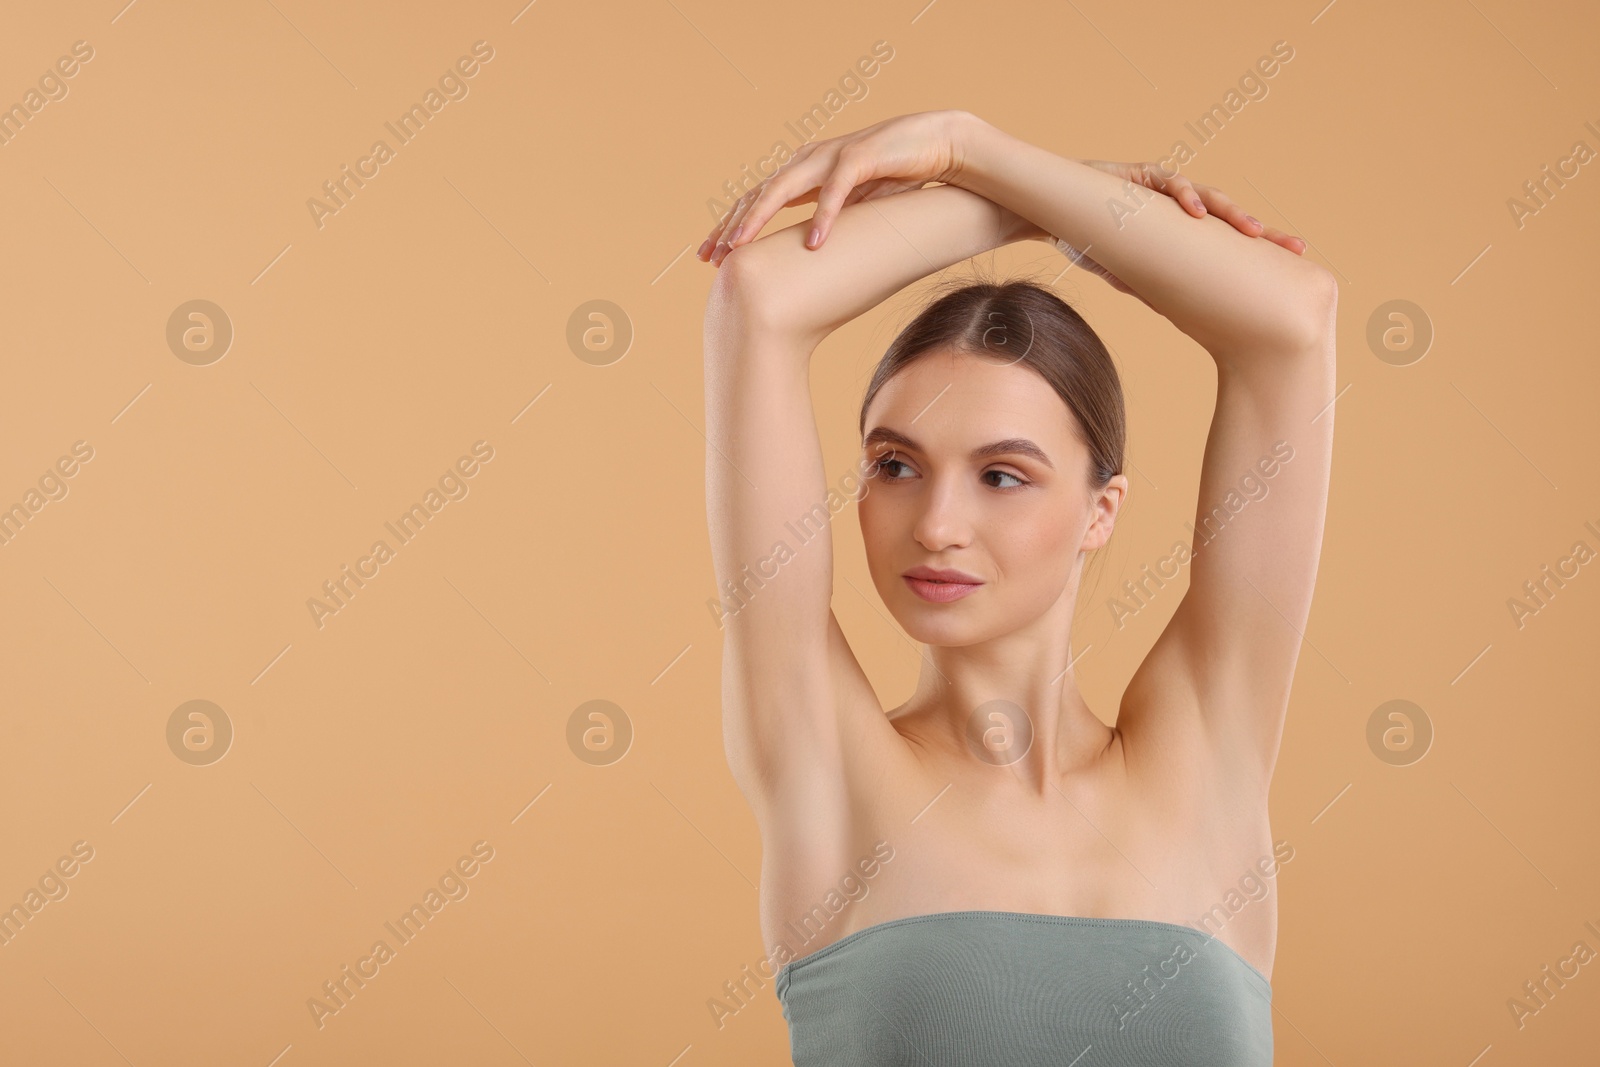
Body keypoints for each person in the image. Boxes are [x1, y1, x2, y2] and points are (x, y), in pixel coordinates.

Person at [697, 109, 1335, 1066]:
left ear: (1100, 510)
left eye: (1002, 475)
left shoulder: (1207, 752)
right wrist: (1032, 207)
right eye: (896, 465)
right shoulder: (825, 760)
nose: (937, 523)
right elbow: (760, 295)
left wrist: (971, 148)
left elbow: (1295, 316)